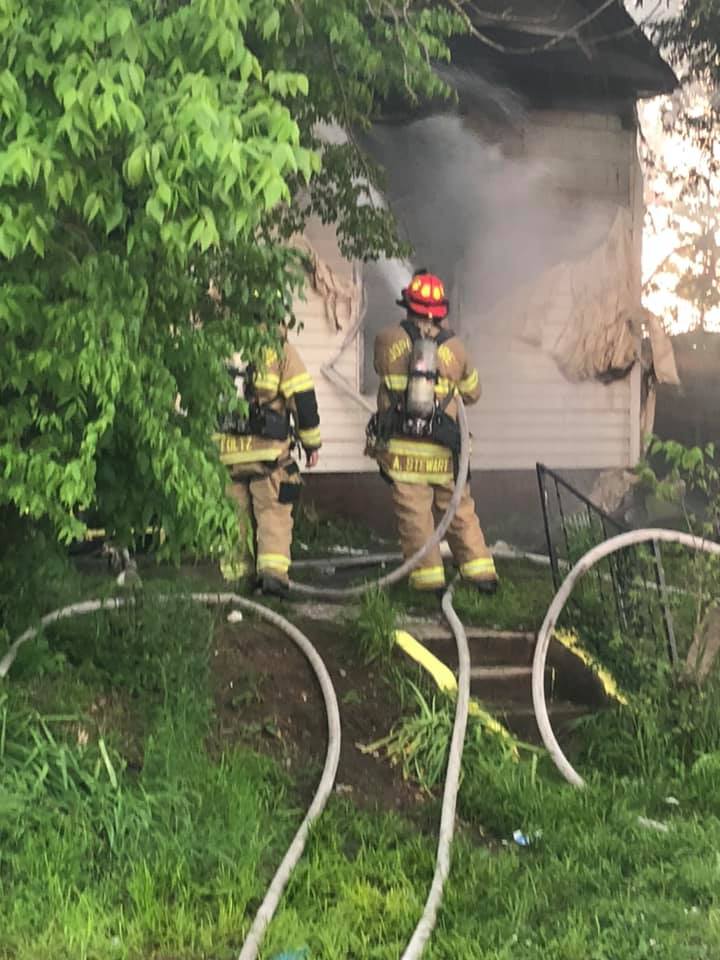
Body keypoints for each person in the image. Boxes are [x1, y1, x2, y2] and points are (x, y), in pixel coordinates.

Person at [366, 269, 498, 595]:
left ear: (407, 306)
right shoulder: (457, 348)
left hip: (403, 451)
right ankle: (481, 574)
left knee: (415, 517)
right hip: (445, 451)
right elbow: (473, 393)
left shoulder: (386, 339)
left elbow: (378, 369)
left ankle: (428, 582)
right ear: (441, 312)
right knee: (459, 511)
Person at [216, 335, 321, 597]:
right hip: (268, 454)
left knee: (233, 517)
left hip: (225, 453)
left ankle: (237, 581)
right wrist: (311, 444)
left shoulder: (217, 341)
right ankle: (273, 578)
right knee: (272, 514)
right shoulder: (279, 349)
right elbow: (303, 398)